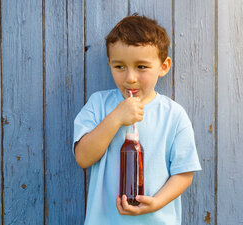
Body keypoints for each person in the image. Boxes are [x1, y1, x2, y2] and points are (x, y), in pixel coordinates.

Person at [73, 14, 202, 225]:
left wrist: (157, 202)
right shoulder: (98, 105)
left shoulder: (173, 115)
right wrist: (116, 118)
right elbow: (83, 158)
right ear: (109, 64)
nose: (130, 77)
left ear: (164, 66)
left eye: (141, 67)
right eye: (119, 66)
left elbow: (184, 173)